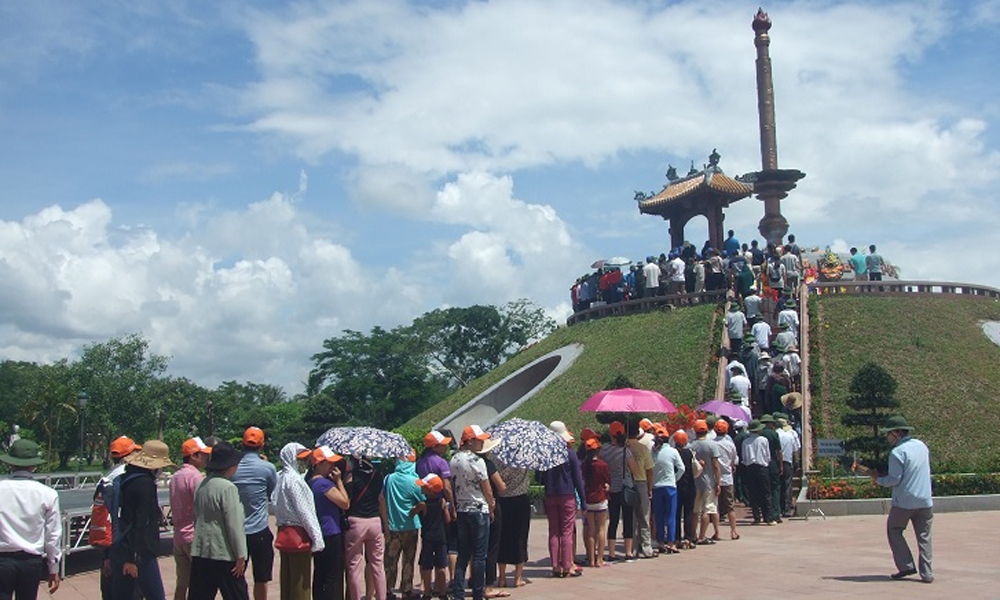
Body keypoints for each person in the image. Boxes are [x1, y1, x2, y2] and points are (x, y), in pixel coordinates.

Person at [865, 416, 933, 583]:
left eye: (888, 433)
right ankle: (927, 573)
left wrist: (877, 479)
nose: (887, 437)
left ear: (897, 433)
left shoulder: (897, 452)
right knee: (924, 536)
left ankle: (906, 565)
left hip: (904, 501)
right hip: (925, 500)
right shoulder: (921, 446)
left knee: (894, 529)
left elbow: (894, 479)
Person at [0, 439, 61, 600]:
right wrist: (53, 568)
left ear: (10, 464)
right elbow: (53, 535)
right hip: (30, 561)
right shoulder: (47, 494)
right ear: (34, 466)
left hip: (2, 560)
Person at [115, 440, 175, 600]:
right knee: (155, 595)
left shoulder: (128, 479)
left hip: (123, 547)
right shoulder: (145, 484)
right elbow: (141, 522)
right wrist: (133, 559)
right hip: (141, 552)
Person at [190, 441, 250, 600]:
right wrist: (241, 555)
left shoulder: (201, 484)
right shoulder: (227, 488)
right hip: (223, 553)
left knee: (200, 595)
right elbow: (234, 524)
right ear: (230, 466)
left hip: (201, 550)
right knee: (237, 594)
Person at [449, 425, 496, 599]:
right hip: (478, 509)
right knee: (479, 555)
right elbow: (487, 487)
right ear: (470, 441)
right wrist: (491, 505)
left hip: (462, 509)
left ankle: (459, 593)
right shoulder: (478, 461)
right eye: (479, 440)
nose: (482, 443)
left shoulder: (453, 460)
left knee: (463, 554)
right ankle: (478, 593)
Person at [274, 444, 324, 600]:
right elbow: (305, 512)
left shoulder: (281, 477)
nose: (305, 462)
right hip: (299, 533)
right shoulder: (295, 481)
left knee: (287, 580)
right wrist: (317, 538)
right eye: (301, 459)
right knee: (300, 584)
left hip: (284, 532)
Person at [233, 427, 279, 600]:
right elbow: (270, 493)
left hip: (237, 532)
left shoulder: (232, 467)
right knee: (261, 578)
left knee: (236, 576)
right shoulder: (267, 468)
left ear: (242, 444)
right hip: (259, 529)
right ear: (262, 445)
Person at [93, 435, 141, 600]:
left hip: (109, 545)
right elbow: (127, 518)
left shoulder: (106, 478)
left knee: (110, 591)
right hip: (124, 545)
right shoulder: (125, 479)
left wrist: (106, 555)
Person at [537, 422, 584, 576]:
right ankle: (567, 566)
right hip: (567, 495)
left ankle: (555, 566)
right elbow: (578, 479)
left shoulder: (545, 454)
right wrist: (583, 500)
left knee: (554, 531)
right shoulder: (569, 453)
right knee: (567, 532)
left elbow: (539, 477)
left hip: (551, 495)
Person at [171, 437, 212, 600]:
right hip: (193, 536)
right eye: (203, 455)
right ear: (193, 456)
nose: (206, 458)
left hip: (178, 536)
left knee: (182, 581)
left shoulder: (176, 476)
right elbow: (204, 504)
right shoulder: (195, 477)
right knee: (201, 583)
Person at [381, 453, 424, 600]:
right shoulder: (415, 481)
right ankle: (406, 590)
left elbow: (383, 497)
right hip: (410, 526)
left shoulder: (388, 479)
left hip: (392, 526)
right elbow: (423, 501)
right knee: (408, 559)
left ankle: (387, 590)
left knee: (390, 560)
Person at [309, 446, 350, 600]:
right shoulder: (324, 485)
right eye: (328, 463)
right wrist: (339, 481)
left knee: (320, 572)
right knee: (333, 575)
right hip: (331, 532)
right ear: (319, 464)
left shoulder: (310, 482)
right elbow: (345, 503)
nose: (332, 466)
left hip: (318, 532)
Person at [344, 456, 386, 600]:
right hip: (375, 521)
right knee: (377, 565)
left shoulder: (351, 476)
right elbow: (380, 500)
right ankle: (381, 597)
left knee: (354, 566)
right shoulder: (378, 475)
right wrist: (386, 524)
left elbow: (346, 501)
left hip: (356, 522)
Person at [601, 421, 635, 563]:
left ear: (610, 434)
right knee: (628, 519)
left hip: (612, 489)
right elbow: (634, 469)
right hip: (626, 487)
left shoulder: (604, 450)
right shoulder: (626, 451)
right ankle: (628, 551)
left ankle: (612, 552)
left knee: (613, 520)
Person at [495, 461, 530, 589]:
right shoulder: (524, 457)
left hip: (502, 500)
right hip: (520, 500)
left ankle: (502, 577)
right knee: (520, 537)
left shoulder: (497, 458)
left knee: (502, 537)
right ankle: (518, 577)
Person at [650, 425, 684, 554]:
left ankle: (660, 542)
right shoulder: (673, 451)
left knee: (658, 516)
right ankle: (671, 542)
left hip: (657, 486)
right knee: (671, 516)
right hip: (670, 486)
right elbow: (682, 468)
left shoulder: (653, 452)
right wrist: (674, 479)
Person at [415, 474, 448, 600]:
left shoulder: (423, 504)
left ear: (430, 490)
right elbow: (447, 519)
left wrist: (413, 510)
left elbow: (412, 513)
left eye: (424, 487)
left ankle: (427, 592)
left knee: (426, 566)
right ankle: (442, 592)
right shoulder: (442, 502)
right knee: (441, 566)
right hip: (441, 536)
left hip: (427, 537)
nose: (422, 488)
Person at [688, 421, 721, 545]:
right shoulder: (712, 445)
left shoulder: (691, 446)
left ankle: (693, 534)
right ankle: (702, 536)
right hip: (709, 482)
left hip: (695, 481)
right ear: (706, 431)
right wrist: (718, 482)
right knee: (707, 509)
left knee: (696, 510)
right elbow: (716, 466)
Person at [625, 422, 655, 559]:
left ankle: (631, 547)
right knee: (644, 515)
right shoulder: (643, 448)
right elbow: (649, 470)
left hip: (627, 485)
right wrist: (650, 488)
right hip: (641, 482)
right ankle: (646, 547)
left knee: (630, 517)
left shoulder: (623, 448)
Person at [580, 437, 610, 568]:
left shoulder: (584, 465)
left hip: (588, 499)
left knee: (590, 529)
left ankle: (591, 559)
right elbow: (608, 480)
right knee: (601, 528)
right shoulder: (602, 465)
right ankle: (599, 559)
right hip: (600, 498)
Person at [740, 421, 773, 526]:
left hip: (750, 468)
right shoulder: (763, 440)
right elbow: (767, 455)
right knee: (766, 493)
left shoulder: (745, 442)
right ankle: (768, 518)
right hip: (762, 467)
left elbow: (744, 457)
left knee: (753, 494)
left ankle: (757, 517)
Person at [713, 420, 740, 541]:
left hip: (714, 479)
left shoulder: (712, 444)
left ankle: (717, 532)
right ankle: (733, 531)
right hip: (727, 478)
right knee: (730, 507)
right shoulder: (730, 445)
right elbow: (735, 461)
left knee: (716, 507)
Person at [759, 415, 784, 524]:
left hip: (762, 464)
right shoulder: (774, 434)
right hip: (773, 463)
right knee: (775, 489)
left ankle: (766, 515)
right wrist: (781, 464)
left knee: (764, 490)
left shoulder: (759, 434)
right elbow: (779, 451)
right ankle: (776, 514)